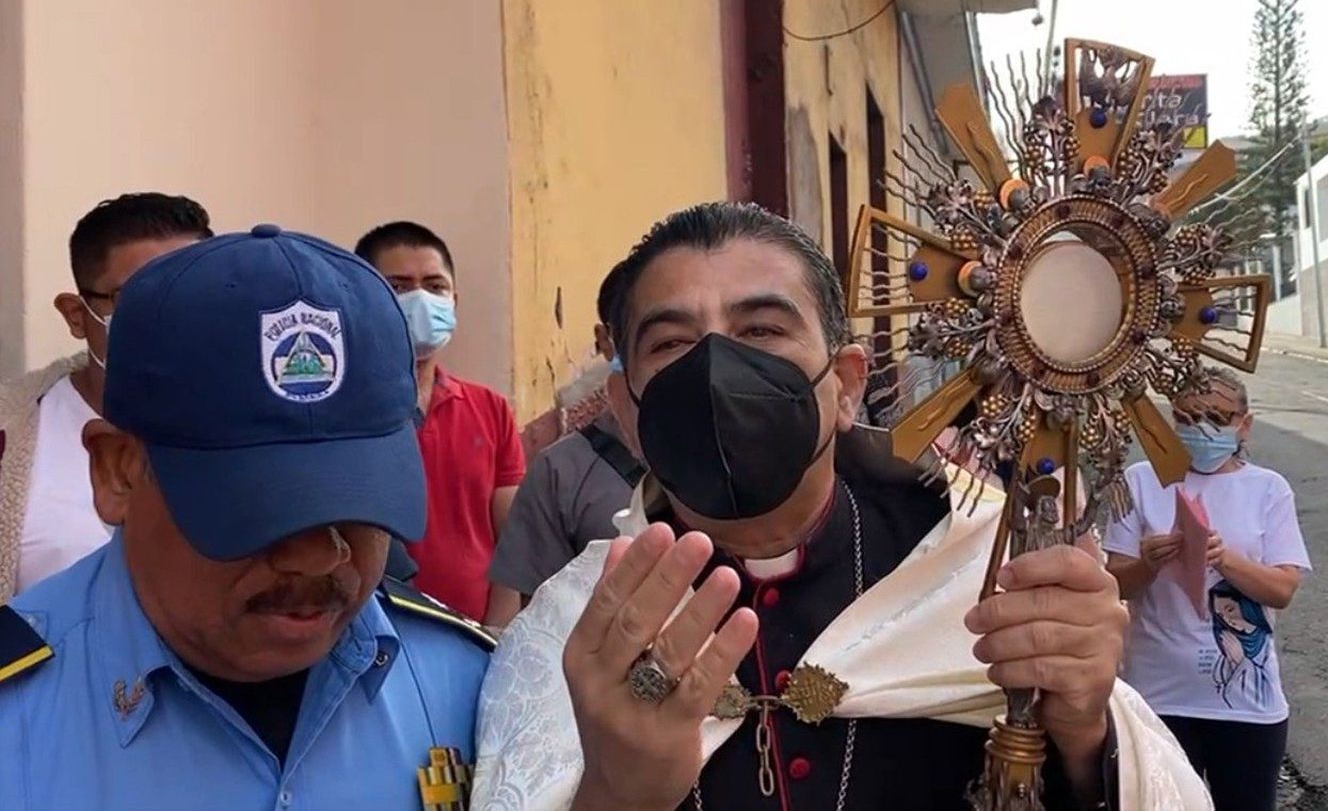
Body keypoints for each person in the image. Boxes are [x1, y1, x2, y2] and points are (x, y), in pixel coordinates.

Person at [474, 202, 1211, 810]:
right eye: (670, 342)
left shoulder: (988, 570)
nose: (716, 367)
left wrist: (1084, 728)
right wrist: (615, 794)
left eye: (762, 330)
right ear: (626, 410)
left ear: (847, 385)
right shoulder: (573, 626)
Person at [0, 225, 492, 809]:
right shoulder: (16, 714)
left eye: (356, 504)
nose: (319, 556)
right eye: (258, 510)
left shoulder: (474, 688)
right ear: (118, 473)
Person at [1104, 368, 1312, 811]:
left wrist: (1225, 558)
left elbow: (1282, 589)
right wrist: (1148, 562)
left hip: (1246, 705)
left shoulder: (1268, 490)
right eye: (1188, 418)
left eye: (1217, 418)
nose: (1201, 430)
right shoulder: (1141, 481)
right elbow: (1113, 581)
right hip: (1157, 695)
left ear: (1244, 424)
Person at [0, 192, 212, 603]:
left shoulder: (257, 425)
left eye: (195, 293)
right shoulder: (13, 434)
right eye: (140, 298)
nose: (174, 318)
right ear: (77, 316)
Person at [355, 221, 526, 625]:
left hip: (475, 635)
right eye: (398, 287)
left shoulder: (491, 408)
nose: (420, 300)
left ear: (454, 299)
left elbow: (514, 542)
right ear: (364, 298)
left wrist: (497, 634)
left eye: (435, 287)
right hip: (378, 633)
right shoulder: (344, 411)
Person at [485, 265, 644, 626]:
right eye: (636, 330)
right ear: (605, 340)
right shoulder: (560, 470)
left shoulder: (746, 452)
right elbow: (532, 627)